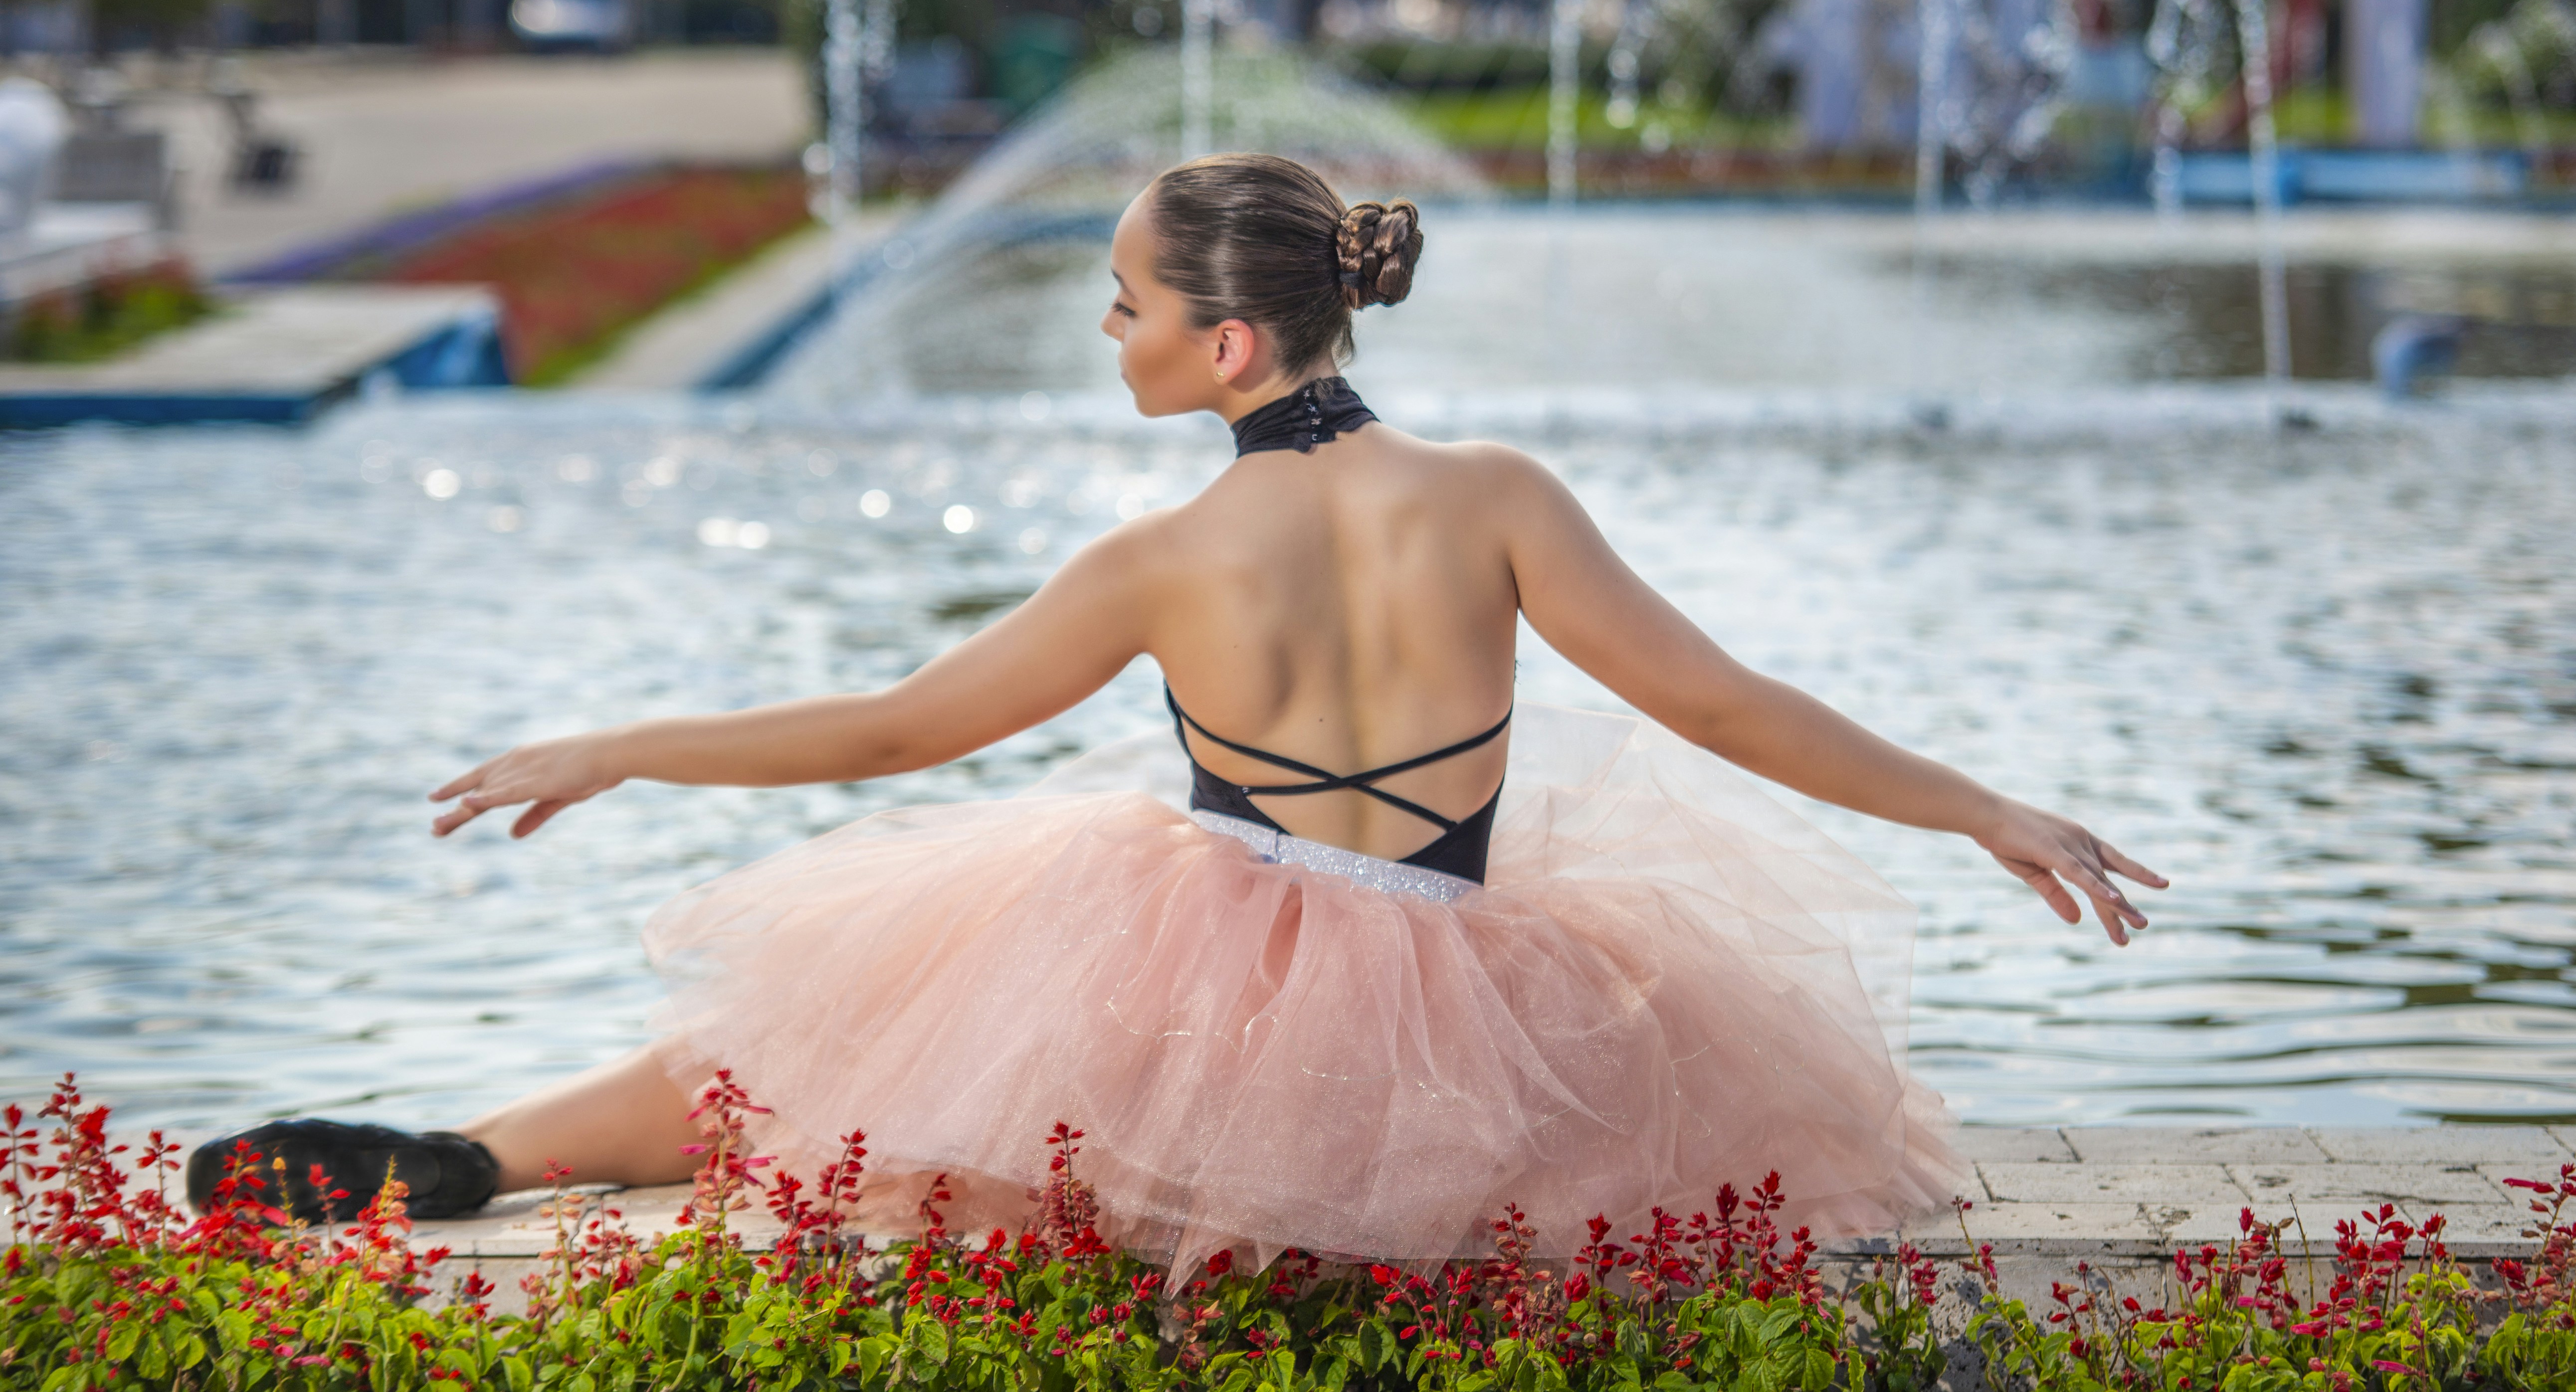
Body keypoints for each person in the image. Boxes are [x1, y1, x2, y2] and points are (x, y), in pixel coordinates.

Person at [188, 154, 2164, 1269]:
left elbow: (894, 732)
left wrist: (619, 741)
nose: (1107, 333)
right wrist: (1985, 806)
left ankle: (472, 1149)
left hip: (1208, 962)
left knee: (811, 1050)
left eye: (1125, 305)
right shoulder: (1495, 499)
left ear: (1228, 339)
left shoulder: (1162, 559)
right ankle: (468, 1149)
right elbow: (1727, 704)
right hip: (1473, 976)